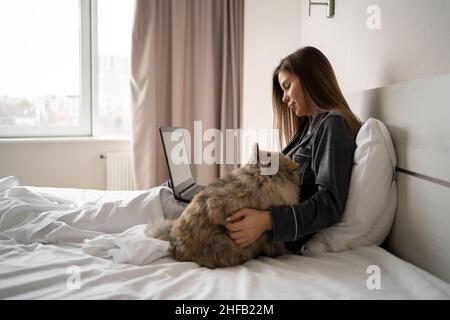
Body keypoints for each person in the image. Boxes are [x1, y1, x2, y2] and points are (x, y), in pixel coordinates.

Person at [225, 46, 362, 252]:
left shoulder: (333, 125)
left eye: (287, 86)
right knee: (170, 196)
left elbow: (329, 204)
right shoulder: (308, 126)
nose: (284, 97)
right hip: (255, 206)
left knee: (169, 207)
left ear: (311, 79)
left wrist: (267, 221)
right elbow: (288, 171)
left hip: (271, 231)